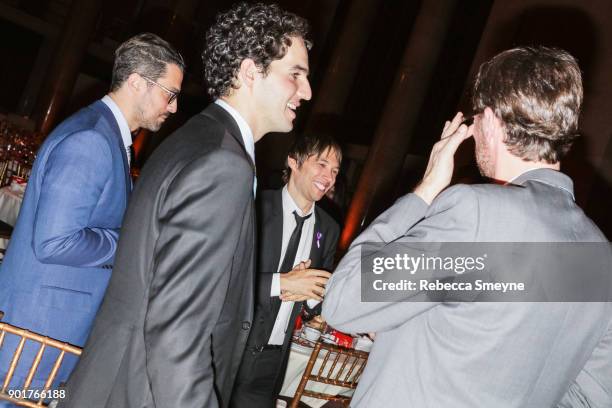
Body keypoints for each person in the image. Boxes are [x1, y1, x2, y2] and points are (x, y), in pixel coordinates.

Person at [322, 46, 612, 407]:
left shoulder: (475, 214)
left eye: (476, 118)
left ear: (491, 120)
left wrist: (425, 190)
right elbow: (591, 396)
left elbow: (345, 300)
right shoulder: (601, 257)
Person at [60, 3, 312, 408]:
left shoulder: (196, 137)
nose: (307, 92)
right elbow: (176, 332)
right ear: (250, 72)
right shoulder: (223, 163)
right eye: (295, 75)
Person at [0, 33, 183, 398]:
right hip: (37, 332)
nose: (174, 107)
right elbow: (55, 242)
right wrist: (135, 239)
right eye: (170, 93)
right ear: (135, 82)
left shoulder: (105, 135)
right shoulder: (92, 140)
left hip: (50, 328)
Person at [230, 134, 342, 407]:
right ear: (293, 161)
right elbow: (226, 277)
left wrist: (316, 290)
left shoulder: (328, 229)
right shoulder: (254, 206)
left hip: (273, 359)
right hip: (230, 346)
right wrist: (283, 283)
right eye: (322, 164)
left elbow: (314, 306)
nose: (328, 176)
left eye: (335, 171)